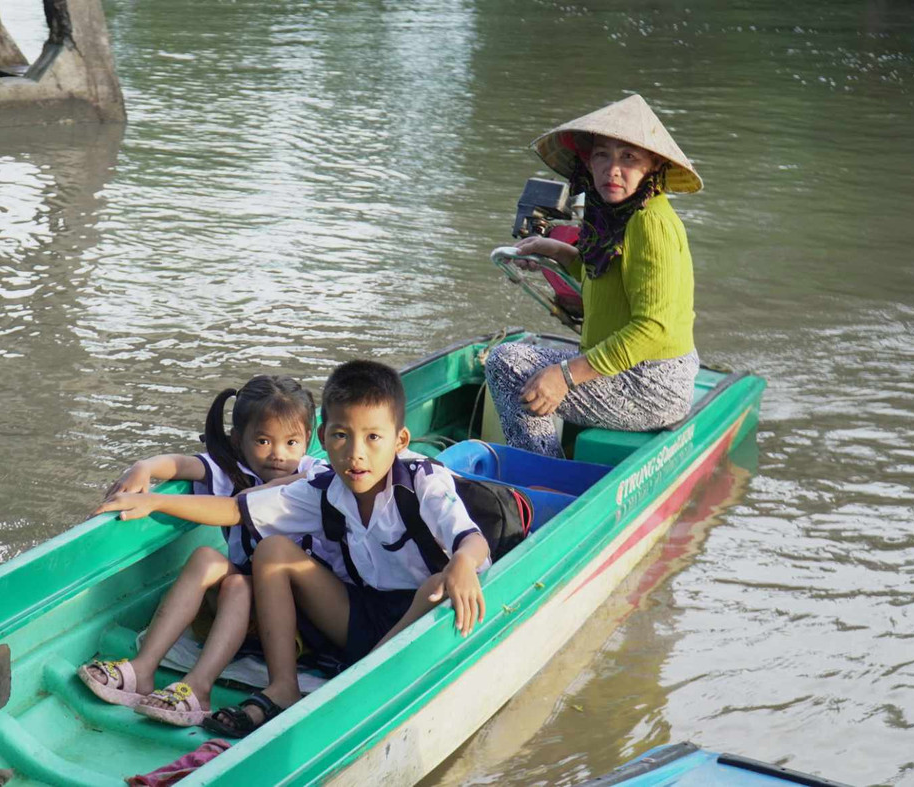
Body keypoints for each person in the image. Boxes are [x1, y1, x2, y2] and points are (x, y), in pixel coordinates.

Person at [96, 360, 491, 737]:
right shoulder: (324, 488)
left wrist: (461, 563)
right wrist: (156, 501)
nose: (356, 453)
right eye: (341, 435)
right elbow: (236, 509)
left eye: (373, 438)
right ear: (322, 439)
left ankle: (364, 681)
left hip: (418, 615)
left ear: (400, 440)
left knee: (439, 584)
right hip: (359, 614)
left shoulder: (423, 479)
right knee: (273, 551)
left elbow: (471, 540)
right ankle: (282, 687)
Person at [78, 375, 323, 727]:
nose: (278, 454)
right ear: (239, 441)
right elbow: (179, 465)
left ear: (308, 441)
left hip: (295, 618)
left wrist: (155, 502)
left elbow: (238, 507)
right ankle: (142, 669)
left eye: (291, 442)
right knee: (206, 559)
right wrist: (142, 468)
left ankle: (199, 687)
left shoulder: (312, 477)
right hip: (244, 607)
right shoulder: (236, 471)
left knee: (238, 586)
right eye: (263, 440)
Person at [486, 94, 703, 458]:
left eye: (629, 157)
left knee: (509, 365)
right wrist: (553, 252)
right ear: (588, 161)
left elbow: (653, 328)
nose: (612, 169)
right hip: (629, 367)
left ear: (652, 165)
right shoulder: (614, 214)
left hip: (653, 382)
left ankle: (543, 472)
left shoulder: (651, 223)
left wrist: (565, 376)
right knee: (515, 360)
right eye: (602, 154)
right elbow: (605, 280)